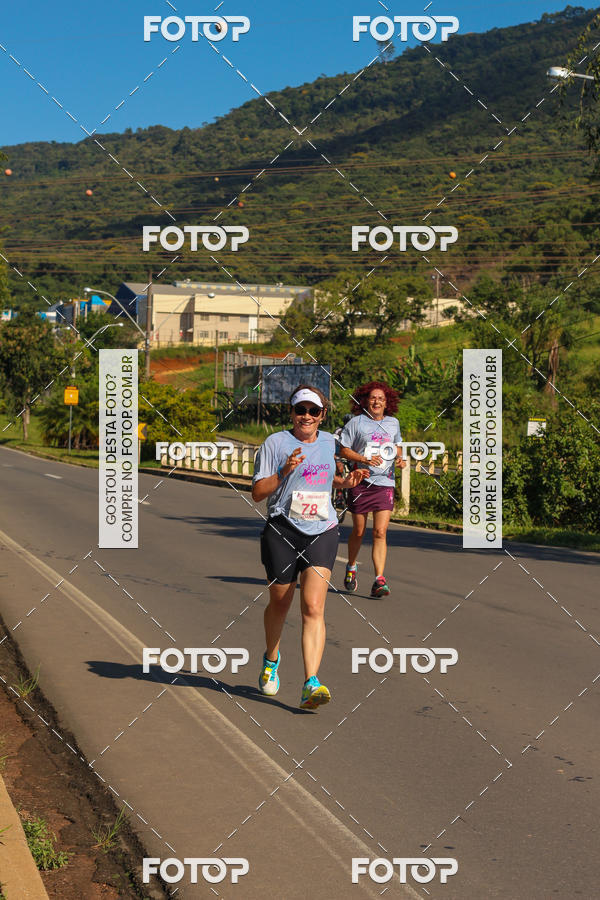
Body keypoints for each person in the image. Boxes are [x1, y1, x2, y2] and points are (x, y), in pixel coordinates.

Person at [252, 385, 369, 709]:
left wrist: (345, 483)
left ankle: (310, 682)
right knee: (280, 602)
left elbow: (323, 477)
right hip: (283, 530)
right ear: (291, 413)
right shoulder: (275, 443)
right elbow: (258, 493)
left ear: (322, 415)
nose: (306, 416)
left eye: (313, 411)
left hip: (322, 530)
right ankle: (271, 659)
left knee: (313, 608)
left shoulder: (330, 442)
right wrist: (284, 471)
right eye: (300, 410)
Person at [339, 382, 406, 597]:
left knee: (380, 532)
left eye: (381, 399)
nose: (376, 401)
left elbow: (397, 445)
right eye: (373, 398)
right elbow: (344, 449)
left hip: (385, 482)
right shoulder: (356, 423)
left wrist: (400, 457)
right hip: (361, 482)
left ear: (387, 404)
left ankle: (379, 579)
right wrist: (363, 459)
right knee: (359, 531)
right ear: (366, 400)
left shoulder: (393, 423)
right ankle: (351, 566)